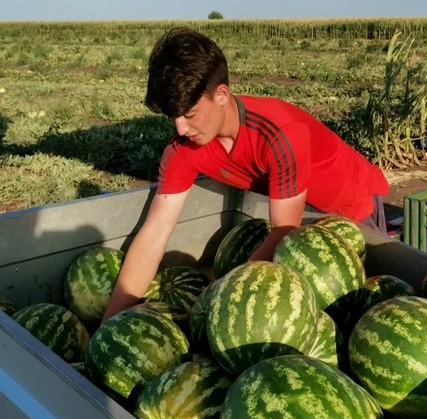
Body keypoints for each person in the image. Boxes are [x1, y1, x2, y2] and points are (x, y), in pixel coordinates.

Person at [100, 28, 388, 323]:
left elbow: (283, 230)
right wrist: (109, 322)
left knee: (351, 311)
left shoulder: (280, 134)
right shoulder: (183, 150)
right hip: (292, 216)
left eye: (189, 114)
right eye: (173, 118)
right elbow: (154, 235)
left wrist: (223, 298)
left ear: (222, 95)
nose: (181, 129)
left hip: (349, 208)